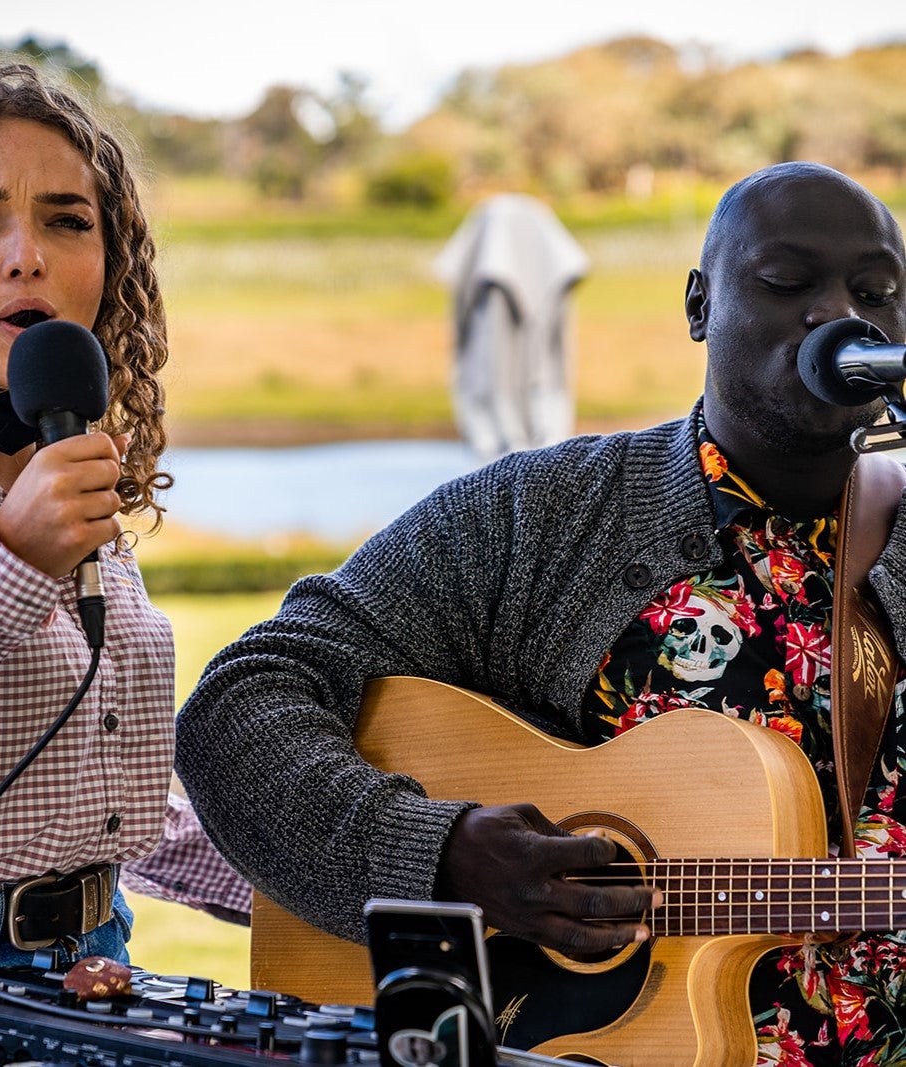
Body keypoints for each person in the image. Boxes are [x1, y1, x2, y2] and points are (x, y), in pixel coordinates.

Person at [177, 162, 906, 1063]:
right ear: (697, 307)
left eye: (874, 292)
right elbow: (242, 700)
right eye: (788, 282)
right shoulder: (537, 517)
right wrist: (435, 856)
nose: (838, 314)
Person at [0, 58, 247, 1023]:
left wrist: (339, 894)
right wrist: (4, 559)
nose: (27, 254)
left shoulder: (58, 460)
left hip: (90, 970)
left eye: (68, 219)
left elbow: (86, 795)